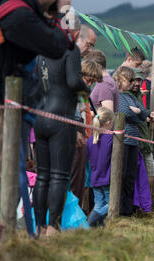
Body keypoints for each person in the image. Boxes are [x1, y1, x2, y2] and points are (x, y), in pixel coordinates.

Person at [0, 0, 73, 209]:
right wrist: (64, 11)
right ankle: (5, 237)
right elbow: (63, 43)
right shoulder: (19, 13)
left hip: (16, 104)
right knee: (9, 178)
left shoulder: (15, 10)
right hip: (4, 107)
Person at [33, 16, 91, 237]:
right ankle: (52, 229)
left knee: (42, 175)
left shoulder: (39, 48)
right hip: (61, 118)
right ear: (74, 32)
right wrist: (87, 92)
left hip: (40, 117)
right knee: (58, 176)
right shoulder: (69, 49)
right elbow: (73, 82)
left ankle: (38, 227)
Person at [113, 66, 154, 217]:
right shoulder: (117, 95)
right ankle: (120, 210)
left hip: (133, 142)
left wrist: (139, 113)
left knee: (131, 176)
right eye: (129, 80)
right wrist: (140, 115)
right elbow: (125, 113)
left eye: (132, 80)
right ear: (119, 79)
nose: (131, 83)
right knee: (122, 175)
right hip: (122, 141)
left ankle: (128, 210)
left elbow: (142, 111)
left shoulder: (131, 97)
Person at [70, 58, 102, 206]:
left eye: (92, 82)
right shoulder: (72, 87)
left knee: (81, 178)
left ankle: (78, 211)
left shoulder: (83, 93)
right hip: (71, 128)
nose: (89, 84)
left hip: (81, 130)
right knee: (73, 176)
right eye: (88, 80)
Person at [86, 107, 114, 227]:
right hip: (107, 179)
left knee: (98, 204)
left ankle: (98, 228)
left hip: (95, 179)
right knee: (110, 205)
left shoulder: (90, 140)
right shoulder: (112, 139)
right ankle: (90, 222)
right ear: (108, 123)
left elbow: (88, 158)